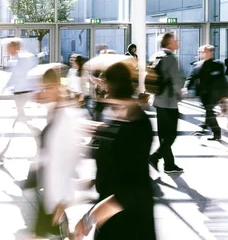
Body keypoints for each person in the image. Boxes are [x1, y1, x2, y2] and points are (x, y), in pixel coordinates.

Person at [74, 62, 156, 240]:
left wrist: (88, 220)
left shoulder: (135, 127)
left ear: (112, 87)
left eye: (104, 83)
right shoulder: (122, 118)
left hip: (129, 222)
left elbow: (130, 190)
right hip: (112, 215)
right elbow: (116, 165)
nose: (100, 89)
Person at [32, 66, 82, 239]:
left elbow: (70, 161)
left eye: (48, 87)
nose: (44, 92)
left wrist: (62, 202)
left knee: (47, 232)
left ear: (58, 86)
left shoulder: (67, 117)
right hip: (49, 187)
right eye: (43, 87)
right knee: (49, 232)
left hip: (57, 192)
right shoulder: (53, 111)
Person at [149, 33, 185, 174]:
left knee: (164, 135)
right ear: (169, 43)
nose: (178, 41)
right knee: (171, 135)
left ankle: (169, 164)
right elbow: (176, 81)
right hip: (169, 102)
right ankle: (155, 157)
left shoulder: (156, 56)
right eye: (175, 40)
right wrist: (180, 95)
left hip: (158, 100)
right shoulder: (170, 58)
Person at [186, 45, 228, 141]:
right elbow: (191, 78)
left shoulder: (218, 65)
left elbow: (222, 80)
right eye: (200, 52)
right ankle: (212, 131)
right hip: (203, 94)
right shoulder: (196, 65)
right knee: (209, 113)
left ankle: (206, 130)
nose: (200, 54)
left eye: (203, 52)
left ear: (210, 53)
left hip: (214, 94)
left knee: (209, 111)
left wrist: (225, 95)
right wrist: (186, 88)